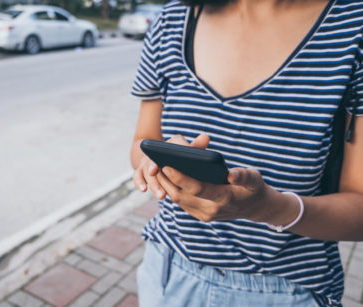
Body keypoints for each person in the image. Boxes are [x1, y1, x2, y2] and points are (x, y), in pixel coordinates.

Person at [130, 0, 363, 306]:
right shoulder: (173, 18)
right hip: (167, 272)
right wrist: (156, 167)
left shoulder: (352, 25)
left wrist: (268, 208)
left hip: (287, 290)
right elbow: (143, 142)